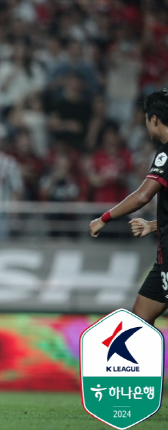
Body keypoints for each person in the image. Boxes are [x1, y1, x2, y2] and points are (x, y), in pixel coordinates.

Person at [90, 89, 168, 326]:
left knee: (142, 323)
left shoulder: (166, 153)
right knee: (142, 319)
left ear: (153, 119)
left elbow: (143, 196)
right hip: (163, 258)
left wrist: (104, 217)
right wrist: (156, 225)